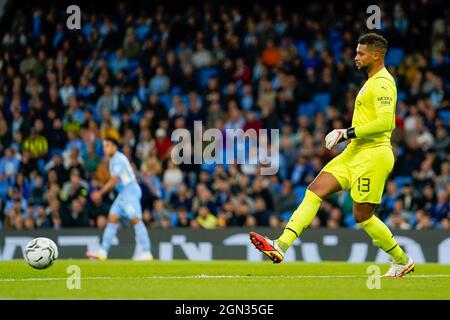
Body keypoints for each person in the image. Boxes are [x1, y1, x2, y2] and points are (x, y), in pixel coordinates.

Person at [249, 33, 415, 278]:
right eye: (356, 52)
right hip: (355, 152)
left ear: (376, 55)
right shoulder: (371, 81)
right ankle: (280, 245)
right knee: (314, 190)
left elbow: (385, 123)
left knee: (363, 216)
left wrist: (345, 132)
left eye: (361, 53)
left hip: (374, 155)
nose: (355, 57)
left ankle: (401, 260)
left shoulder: (382, 83)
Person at [85, 137, 153, 260]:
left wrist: (100, 193)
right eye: (104, 146)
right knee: (111, 219)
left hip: (130, 191)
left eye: (108, 146)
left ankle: (147, 252)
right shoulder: (112, 160)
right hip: (123, 193)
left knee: (136, 220)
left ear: (114, 147)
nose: (105, 149)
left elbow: (114, 181)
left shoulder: (118, 159)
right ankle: (103, 252)